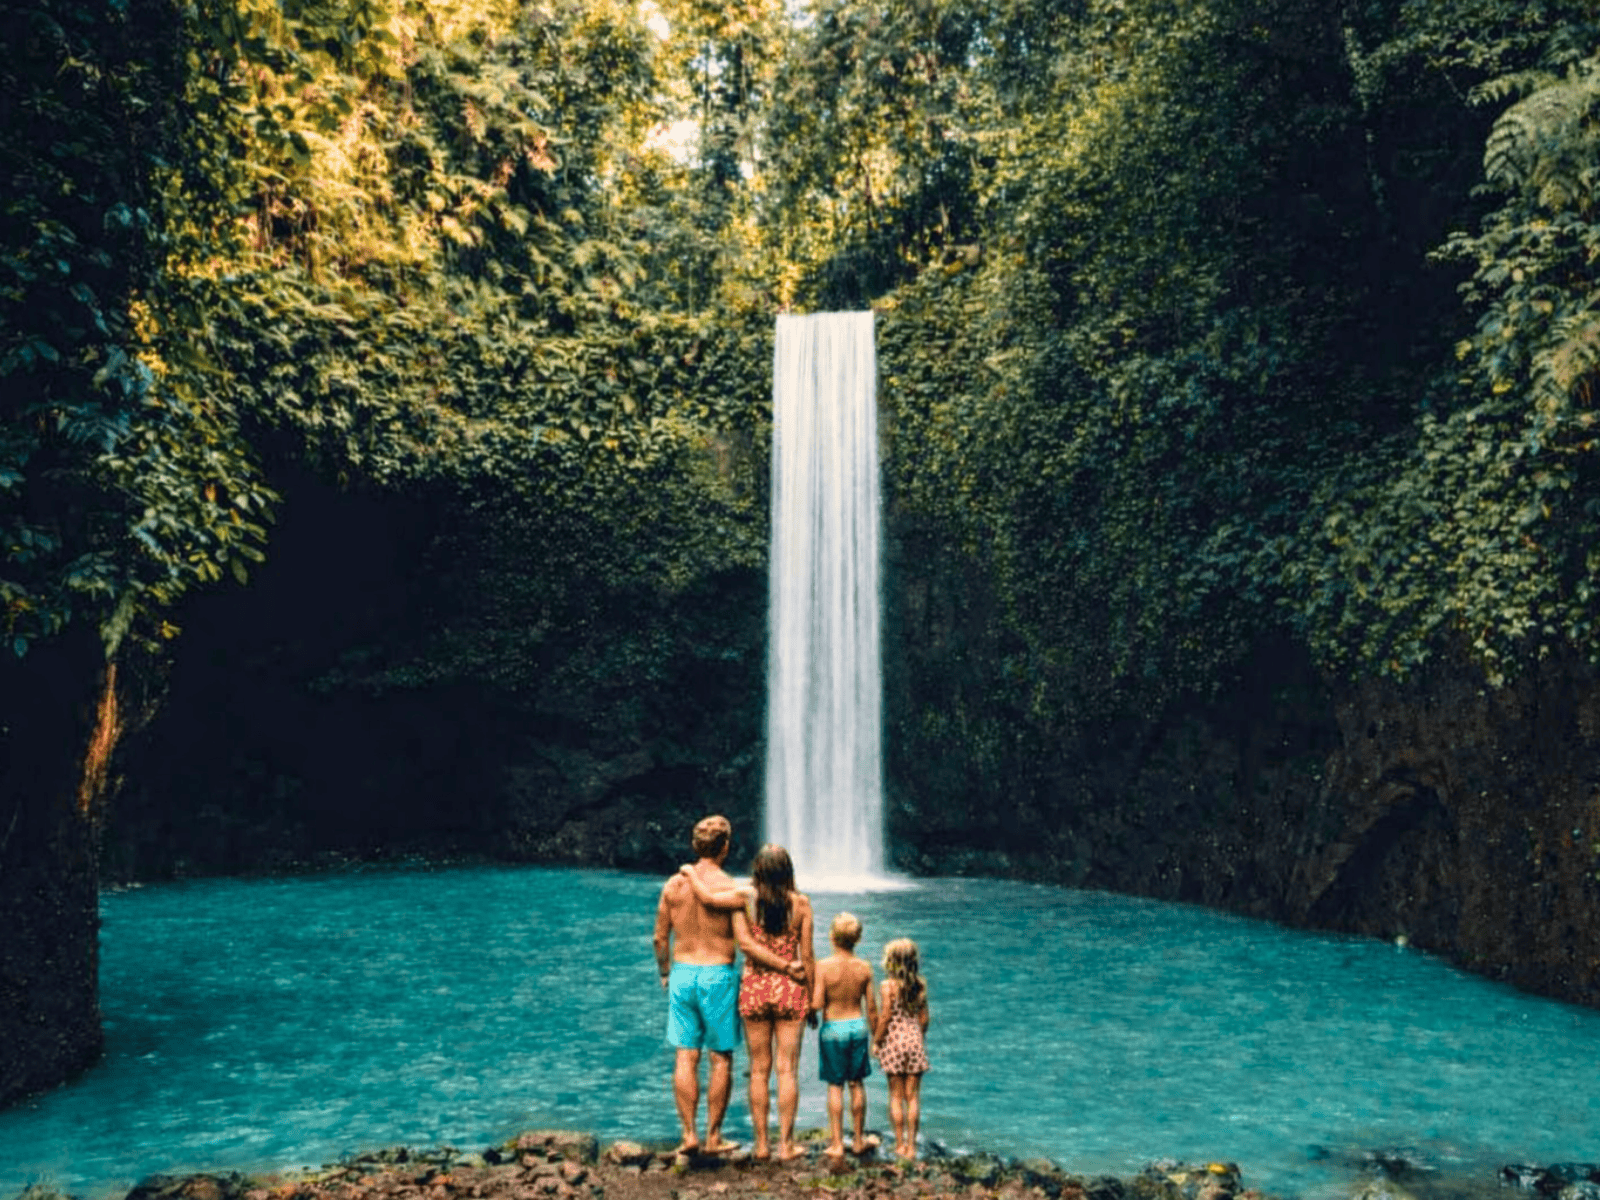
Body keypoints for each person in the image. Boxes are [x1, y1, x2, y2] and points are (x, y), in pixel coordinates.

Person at [653, 815, 799, 1157]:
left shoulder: (673, 886)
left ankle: (688, 1134)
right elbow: (750, 932)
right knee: (720, 1058)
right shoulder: (735, 889)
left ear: (694, 846)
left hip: (683, 973)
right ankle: (713, 1136)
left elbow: (660, 937)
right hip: (718, 974)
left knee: (685, 1055)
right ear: (726, 847)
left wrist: (664, 972)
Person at [681, 843, 814, 1161]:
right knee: (787, 1070)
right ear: (788, 871)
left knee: (758, 1070)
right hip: (789, 987)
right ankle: (786, 1145)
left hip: (755, 988)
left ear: (758, 871)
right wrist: (811, 999)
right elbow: (807, 956)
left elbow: (710, 899)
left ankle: (762, 1145)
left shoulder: (746, 898)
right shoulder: (802, 904)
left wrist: (689, 872)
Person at [812, 911, 879, 1160]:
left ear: (831, 937)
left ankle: (838, 1143)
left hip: (834, 1030)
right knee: (857, 1083)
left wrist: (809, 1011)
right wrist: (878, 1038)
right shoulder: (864, 968)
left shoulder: (823, 967)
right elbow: (872, 1007)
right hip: (858, 1027)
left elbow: (817, 1002)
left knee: (835, 1086)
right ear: (858, 939)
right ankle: (859, 1140)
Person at [873, 937, 930, 1161]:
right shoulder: (920, 985)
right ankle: (912, 1147)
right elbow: (924, 1019)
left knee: (895, 1097)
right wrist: (917, 1036)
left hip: (893, 1043)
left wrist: (877, 1040)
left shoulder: (887, 986)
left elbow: (886, 1015)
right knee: (913, 1097)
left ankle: (899, 1145)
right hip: (914, 1041)